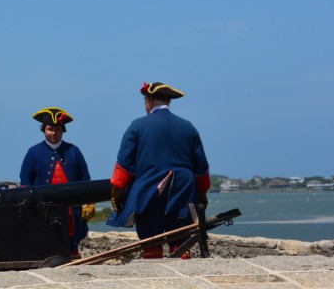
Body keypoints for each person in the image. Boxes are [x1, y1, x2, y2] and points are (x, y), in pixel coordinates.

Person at [107, 82, 211, 259]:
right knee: (181, 242)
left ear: (148, 100)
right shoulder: (188, 127)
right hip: (183, 190)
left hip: (149, 191)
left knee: (151, 242)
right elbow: (201, 168)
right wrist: (201, 193)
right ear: (168, 101)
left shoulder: (137, 126)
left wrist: (117, 190)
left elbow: (124, 164)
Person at [19, 107, 94, 258]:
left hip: (71, 211)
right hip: (43, 210)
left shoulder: (74, 151)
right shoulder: (33, 153)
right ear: (43, 130)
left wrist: (89, 203)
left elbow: (85, 180)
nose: (53, 133)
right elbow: (25, 184)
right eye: (50, 129)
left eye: (57, 129)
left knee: (71, 246)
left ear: (63, 130)